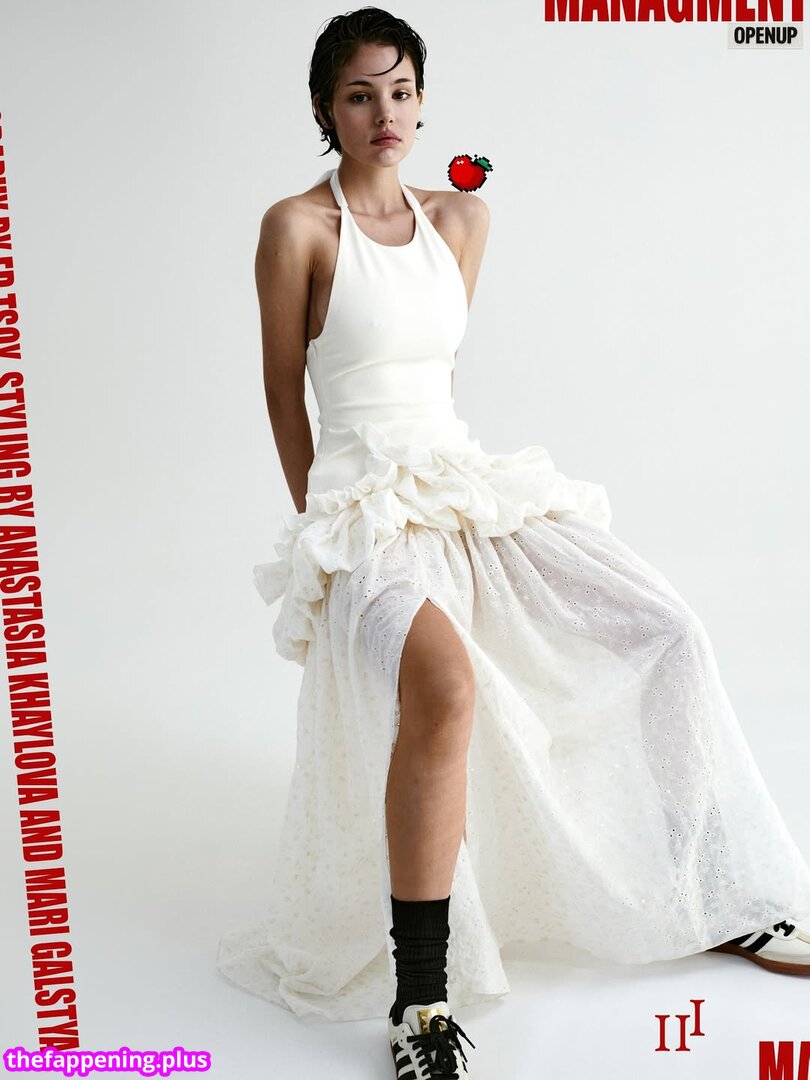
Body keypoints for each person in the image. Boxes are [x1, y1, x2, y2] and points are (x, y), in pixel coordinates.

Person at [217, 7, 810, 1077]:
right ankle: (420, 1001)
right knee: (446, 691)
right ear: (324, 109)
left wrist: (457, 511)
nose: (386, 113)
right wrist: (325, 539)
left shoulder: (462, 219)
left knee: (665, 629)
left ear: (423, 99)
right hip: (363, 510)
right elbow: (281, 393)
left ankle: (717, 894)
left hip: (462, 482)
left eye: (401, 91)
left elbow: (437, 376)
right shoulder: (295, 228)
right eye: (360, 95)